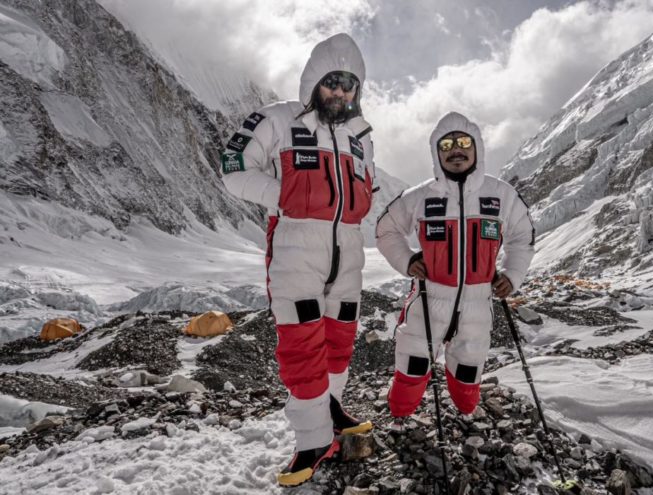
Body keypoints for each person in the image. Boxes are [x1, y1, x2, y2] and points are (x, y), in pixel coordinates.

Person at [220, 33, 374, 487]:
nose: (340, 92)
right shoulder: (278, 119)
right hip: (294, 247)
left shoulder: (362, 137)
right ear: (315, 81)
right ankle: (311, 440)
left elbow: (369, 191)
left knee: (340, 338)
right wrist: (281, 197)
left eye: (349, 84)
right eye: (332, 82)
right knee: (301, 343)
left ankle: (330, 410)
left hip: (348, 251)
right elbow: (232, 167)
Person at [375, 111, 535, 421]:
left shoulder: (500, 194)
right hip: (428, 297)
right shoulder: (421, 196)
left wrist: (513, 275)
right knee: (412, 364)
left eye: (463, 142)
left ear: (477, 148)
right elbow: (386, 230)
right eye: (446, 145)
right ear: (436, 153)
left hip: (478, 301)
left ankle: (465, 412)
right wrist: (406, 260)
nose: (456, 150)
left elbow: (523, 236)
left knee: (468, 370)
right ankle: (399, 417)